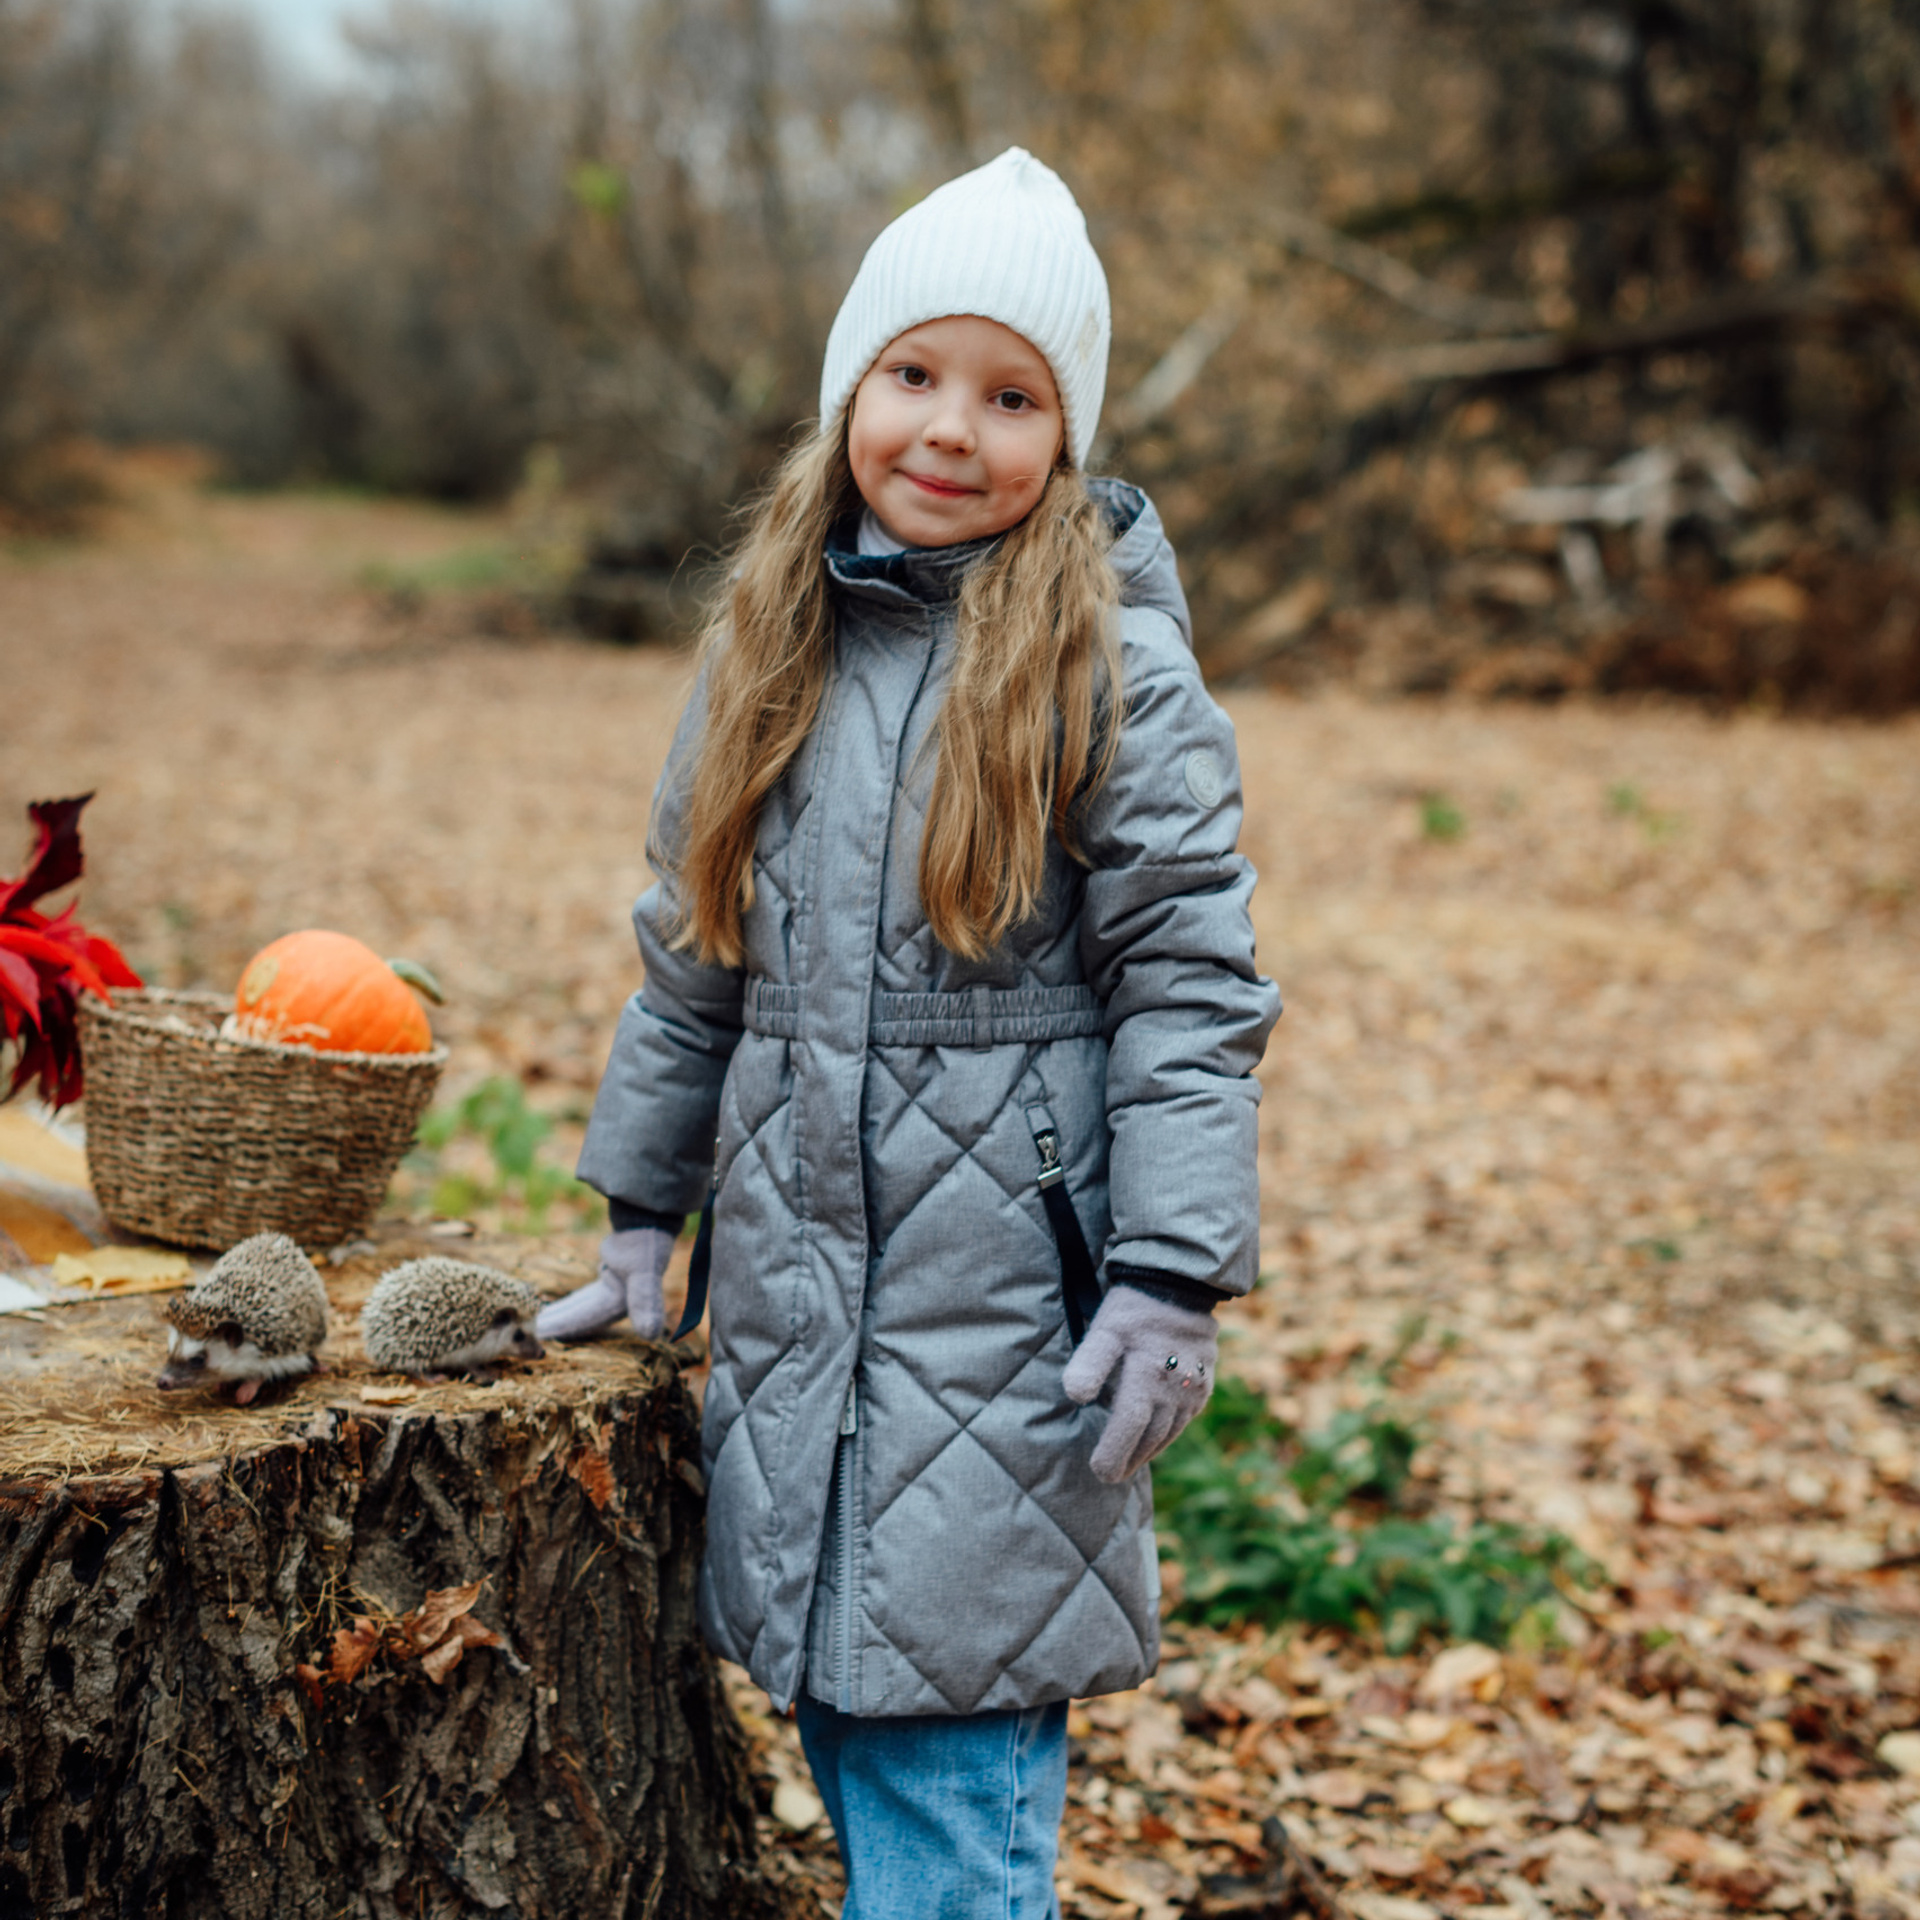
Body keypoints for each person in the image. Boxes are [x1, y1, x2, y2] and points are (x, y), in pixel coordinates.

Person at [539, 147, 1281, 1920]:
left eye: (1013, 395)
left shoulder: (1113, 668)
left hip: (1016, 1319)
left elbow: (1190, 982)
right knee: (843, 1716)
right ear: (852, 389)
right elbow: (695, 952)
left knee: (952, 1786)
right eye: (915, 374)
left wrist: (1172, 1270)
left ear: (1068, 434)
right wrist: (643, 1215)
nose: (953, 429)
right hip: (802, 1304)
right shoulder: (768, 640)